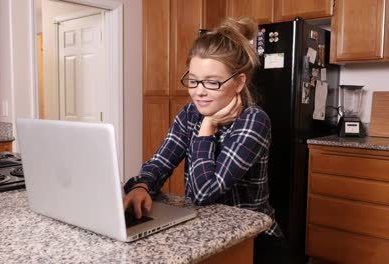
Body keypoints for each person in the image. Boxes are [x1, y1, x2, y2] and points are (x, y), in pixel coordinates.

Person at [123, 17, 289, 263]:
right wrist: (141, 185)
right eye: (193, 80)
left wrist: (207, 126)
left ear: (239, 82)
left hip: (254, 239)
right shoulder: (189, 113)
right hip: (206, 230)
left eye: (212, 82)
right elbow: (160, 161)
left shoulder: (254, 121)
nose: (199, 91)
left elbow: (202, 193)